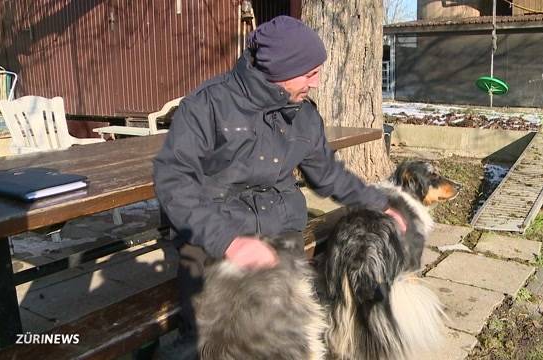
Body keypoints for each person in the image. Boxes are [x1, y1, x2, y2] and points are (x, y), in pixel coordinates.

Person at [153, 15, 406, 348]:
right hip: (212, 235)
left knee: (290, 328)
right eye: (310, 73)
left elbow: (328, 173)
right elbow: (174, 182)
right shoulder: (206, 106)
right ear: (281, 73)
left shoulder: (303, 114)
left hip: (280, 229)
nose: (316, 82)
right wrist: (230, 241)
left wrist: (380, 205)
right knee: (206, 337)